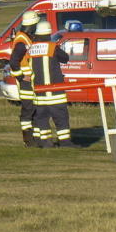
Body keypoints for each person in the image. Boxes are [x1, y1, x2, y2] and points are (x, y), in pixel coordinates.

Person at [27, 20, 77, 148]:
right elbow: (65, 58)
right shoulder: (52, 47)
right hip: (55, 93)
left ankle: (45, 142)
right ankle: (65, 142)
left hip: (39, 94)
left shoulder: (31, 48)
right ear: (49, 33)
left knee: (41, 119)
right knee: (61, 119)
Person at [8, 10, 40, 146]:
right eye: (36, 25)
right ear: (32, 25)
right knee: (28, 111)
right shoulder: (22, 41)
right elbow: (13, 61)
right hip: (26, 84)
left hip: (30, 82)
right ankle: (28, 140)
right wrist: (21, 77)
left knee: (34, 110)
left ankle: (36, 139)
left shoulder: (26, 39)